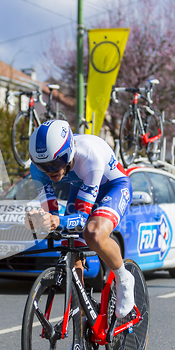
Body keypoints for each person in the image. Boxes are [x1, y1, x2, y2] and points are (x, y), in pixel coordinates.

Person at [26, 119, 134, 325]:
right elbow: (51, 213)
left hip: (113, 186)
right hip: (82, 186)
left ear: (69, 153)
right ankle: (82, 325)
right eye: (42, 165)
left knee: (93, 233)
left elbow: (82, 220)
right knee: (69, 243)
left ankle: (124, 278)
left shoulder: (89, 157)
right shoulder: (38, 169)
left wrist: (56, 221)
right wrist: (38, 220)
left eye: (56, 163)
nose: (49, 170)